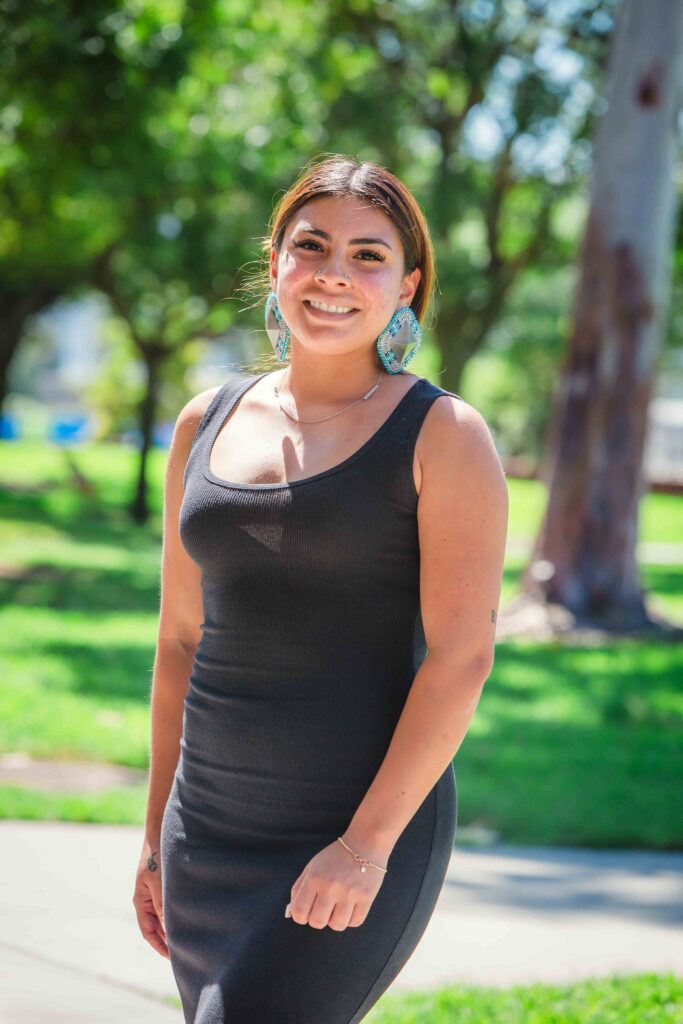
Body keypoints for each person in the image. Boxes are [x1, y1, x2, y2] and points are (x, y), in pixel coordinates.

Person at [132, 153, 508, 1023]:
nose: (334, 274)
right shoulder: (205, 418)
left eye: (369, 255)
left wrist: (365, 847)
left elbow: (461, 657)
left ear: (407, 286)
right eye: (312, 246)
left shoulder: (442, 434)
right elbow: (179, 642)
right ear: (275, 263)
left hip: (349, 841)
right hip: (206, 833)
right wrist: (156, 834)